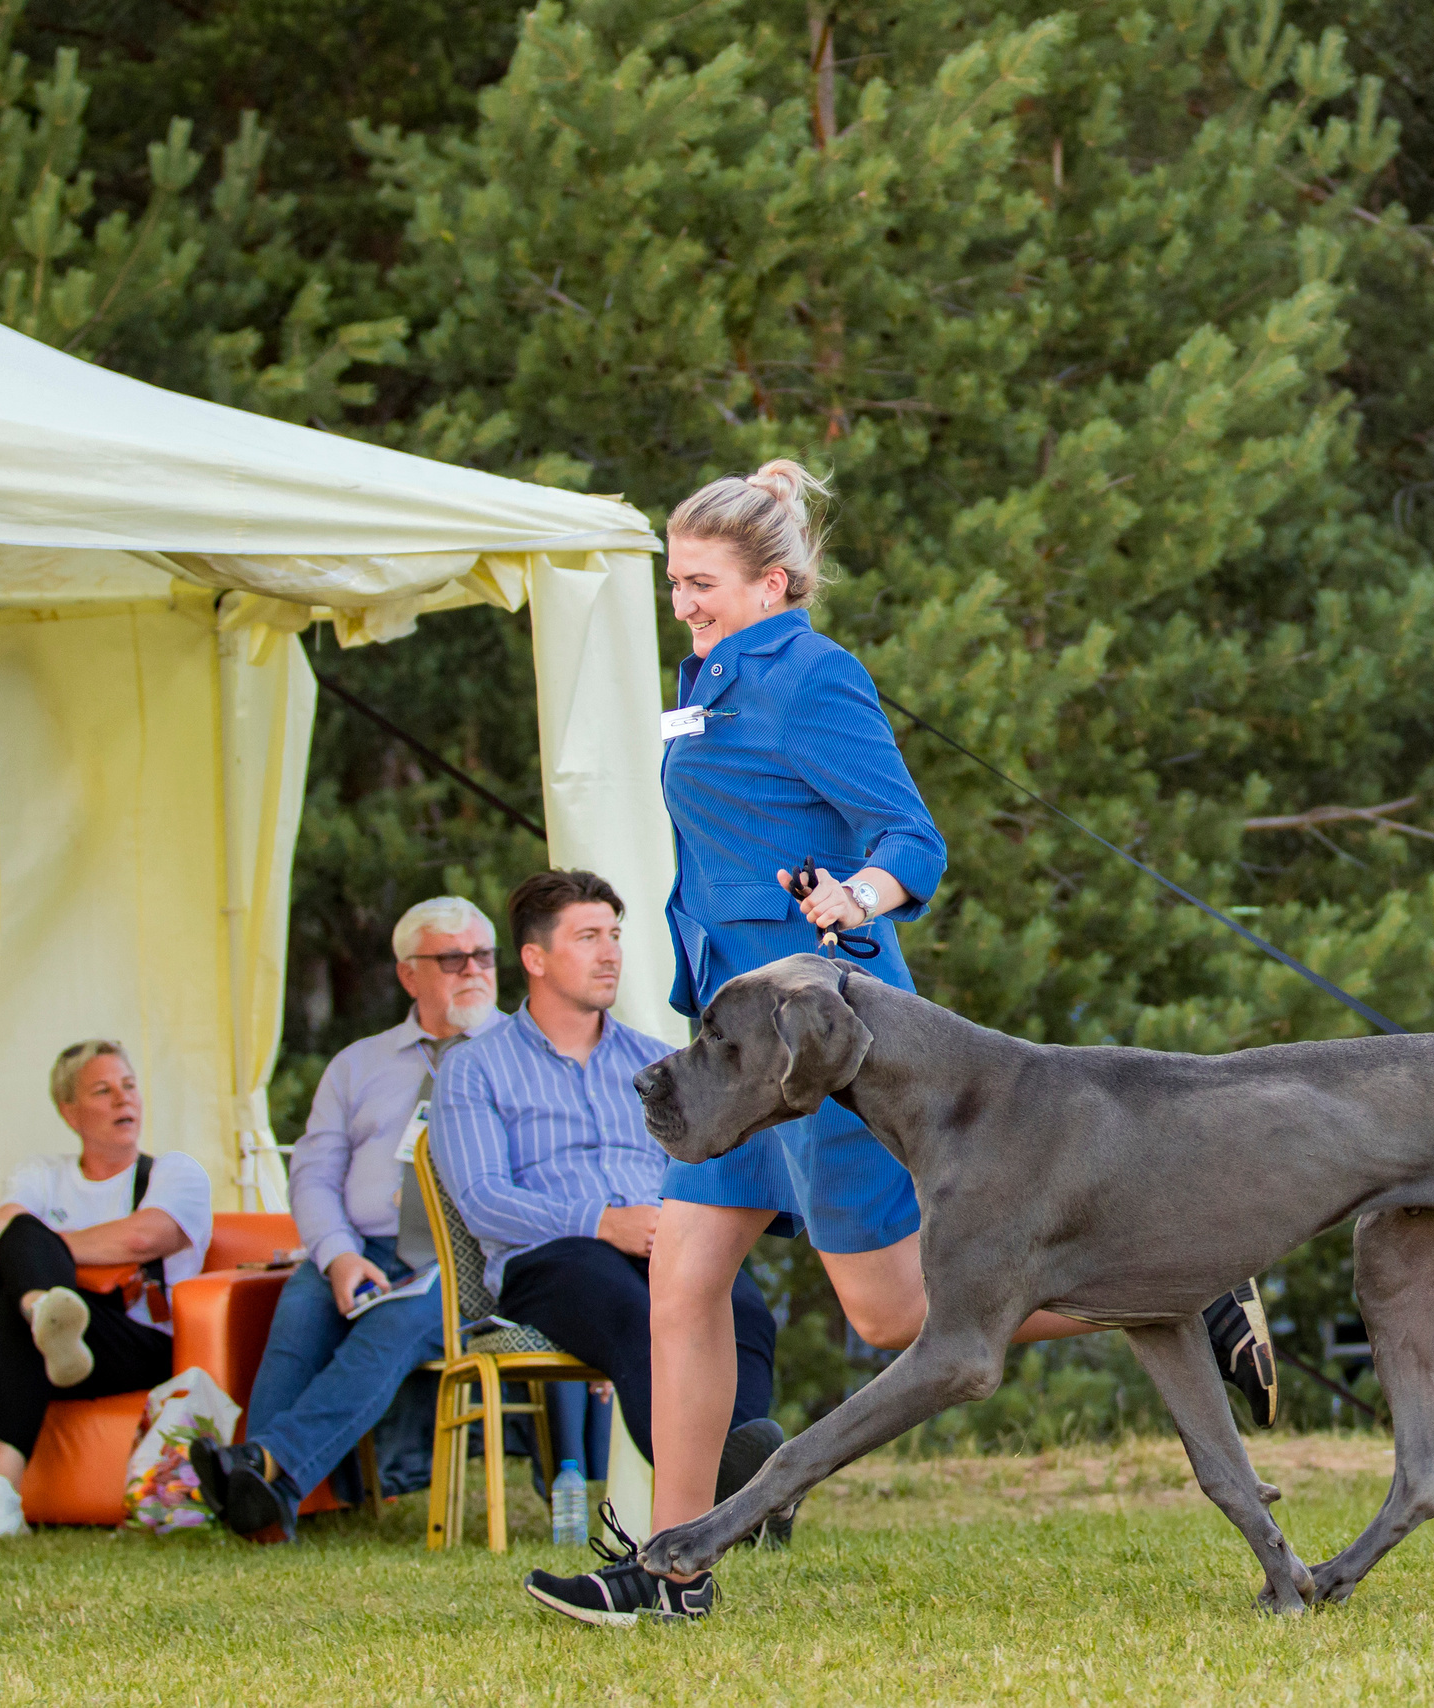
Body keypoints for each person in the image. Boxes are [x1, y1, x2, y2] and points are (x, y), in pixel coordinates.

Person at [536, 459, 1272, 1628]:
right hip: (732, 1046)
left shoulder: (814, 677)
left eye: (702, 582)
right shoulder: (712, 675)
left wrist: (854, 898)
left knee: (892, 1315)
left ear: (773, 582)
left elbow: (910, 837)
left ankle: (1180, 1277)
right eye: (674, 583)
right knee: (681, 1287)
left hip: (825, 1048)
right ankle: (673, 1567)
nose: (682, 602)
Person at [444, 871, 781, 1585]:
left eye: (616, 937)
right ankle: (737, 1497)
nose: (611, 954)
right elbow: (482, 1200)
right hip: (551, 1261)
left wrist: (681, 1227)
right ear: (535, 959)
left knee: (738, 1301)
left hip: (661, 1237)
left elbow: (704, 1161)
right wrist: (601, 1222)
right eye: (588, 937)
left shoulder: (654, 1060)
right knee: (633, 1310)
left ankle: (741, 1483)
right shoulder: (474, 1069)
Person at [191, 896, 505, 1540]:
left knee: (395, 1324)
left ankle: (265, 1474)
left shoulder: (521, 1056)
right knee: (301, 1311)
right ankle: (270, 1504)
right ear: (408, 974)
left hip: (465, 1257)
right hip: (362, 1243)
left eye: (483, 955)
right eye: (452, 958)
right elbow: (312, 1174)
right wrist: (337, 1255)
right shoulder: (358, 1064)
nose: (473, 969)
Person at [0, 1041, 213, 1539]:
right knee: (20, 1242)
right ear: (70, 1112)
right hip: (39, 1349)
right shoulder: (42, 1174)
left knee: (22, 1247)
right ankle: (44, 1310)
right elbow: (4, 1223)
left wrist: (36, 1252)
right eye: (103, 1091)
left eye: (128, 1087)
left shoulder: (175, 1173)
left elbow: (141, 1237)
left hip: (127, 1342)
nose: (122, 1100)